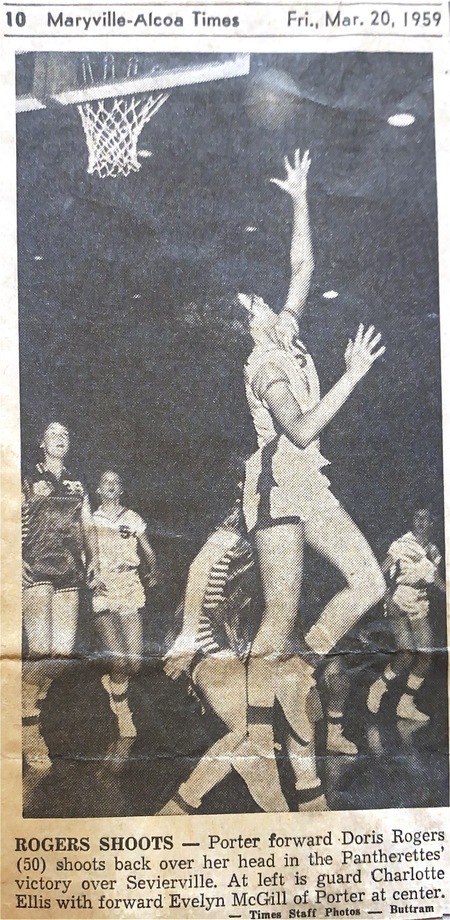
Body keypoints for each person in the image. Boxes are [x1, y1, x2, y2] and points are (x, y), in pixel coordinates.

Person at [237, 149, 387, 786]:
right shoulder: (263, 364)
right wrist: (351, 376)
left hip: (310, 481)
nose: (269, 304)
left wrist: (300, 197)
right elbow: (299, 430)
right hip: (276, 485)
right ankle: (253, 737)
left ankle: (306, 664)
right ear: (248, 327)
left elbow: (302, 265)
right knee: (277, 617)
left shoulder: (287, 333)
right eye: (255, 306)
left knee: (371, 582)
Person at [161, 497, 325, 813]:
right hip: (209, 637)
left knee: (300, 695)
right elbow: (199, 569)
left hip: (251, 643)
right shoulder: (244, 517)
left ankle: (310, 798)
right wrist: (187, 637)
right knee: (248, 729)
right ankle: (176, 810)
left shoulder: (296, 525)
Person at [22, 421, 102, 769]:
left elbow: (88, 524)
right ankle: (29, 730)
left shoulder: (77, 483)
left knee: (62, 654)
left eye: (65, 434)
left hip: (69, 569)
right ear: (42, 443)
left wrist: (94, 559)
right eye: (53, 434)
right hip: (36, 566)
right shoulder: (26, 478)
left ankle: (26, 703)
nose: (60, 438)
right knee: (40, 651)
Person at [92, 470, 158, 737]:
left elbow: (148, 550)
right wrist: (90, 576)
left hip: (129, 586)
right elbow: (83, 553)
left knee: (135, 664)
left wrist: (153, 570)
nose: (110, 485)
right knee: (119, 661)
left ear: (121, 489)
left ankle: (113, 683)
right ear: (98, 489)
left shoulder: (132, 517)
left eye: (115, 482)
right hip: (103, 589)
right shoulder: (91, 519)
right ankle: (123, 709)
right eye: (105, 482)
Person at [367, 508, 445, 722]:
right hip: (399, 599)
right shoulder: (401, 544)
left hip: (421, 602)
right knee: (406, 653)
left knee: (426, 654)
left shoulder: (434, 550)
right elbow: (379, 571)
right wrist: (386, 597)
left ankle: (406, 703)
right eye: (417, 517)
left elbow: (436, 579)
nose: (420, 521)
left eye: (425, 518)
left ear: (432, 522)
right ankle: (379, 686)